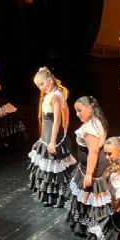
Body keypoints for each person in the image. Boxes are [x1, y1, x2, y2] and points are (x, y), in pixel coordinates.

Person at [28, 67, 76, 207]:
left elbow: (58, 119)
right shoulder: (52, 94)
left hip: (52, 138)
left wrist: (54, 141)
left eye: (42, 84)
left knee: (55, 167)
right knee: (48, 168)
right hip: (46, 136)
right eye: (38, 86)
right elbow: (66, 113)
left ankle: (58, 198)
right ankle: (50, 197)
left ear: (49, 80)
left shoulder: (55, 96)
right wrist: (64, 131)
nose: (41, 88)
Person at [65, 96, 113, 236]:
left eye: (80, 110)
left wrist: (89, 174)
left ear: (90, 109)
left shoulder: (89, 128)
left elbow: (93, 151)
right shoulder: (98, 121)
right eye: (76, 111)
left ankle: (91, 227)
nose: (77, 114)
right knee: (94, 197)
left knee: (91, 195)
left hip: (92, 166)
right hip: (94, 163)